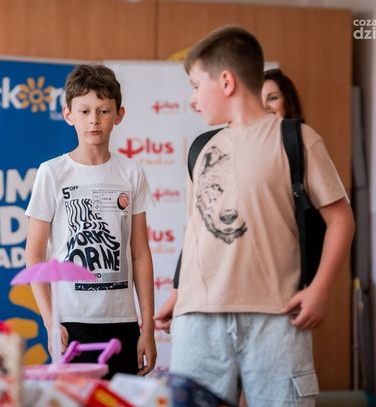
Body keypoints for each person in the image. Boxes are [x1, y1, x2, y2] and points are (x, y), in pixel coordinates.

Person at [154, 26, 354, 406]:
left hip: (275, 316)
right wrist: (178, 293)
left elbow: (341, 220)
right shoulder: (201, 148)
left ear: (226, 81)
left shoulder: (297, 139)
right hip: (198, 318)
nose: (193, 99)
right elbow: (196, 230)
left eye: (196, 86)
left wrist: (320, 290)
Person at [25, 64, 156, 378]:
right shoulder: (52, 173)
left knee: (121, 398)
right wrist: (50, 321)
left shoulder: (132, 172)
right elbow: (34, 256)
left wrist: (148, 327)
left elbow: (140, 253)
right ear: (68, 115)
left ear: (119, 115)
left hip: (123, 321)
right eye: (84, 111)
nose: (94, 120)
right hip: (71, 323)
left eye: (103, 111)